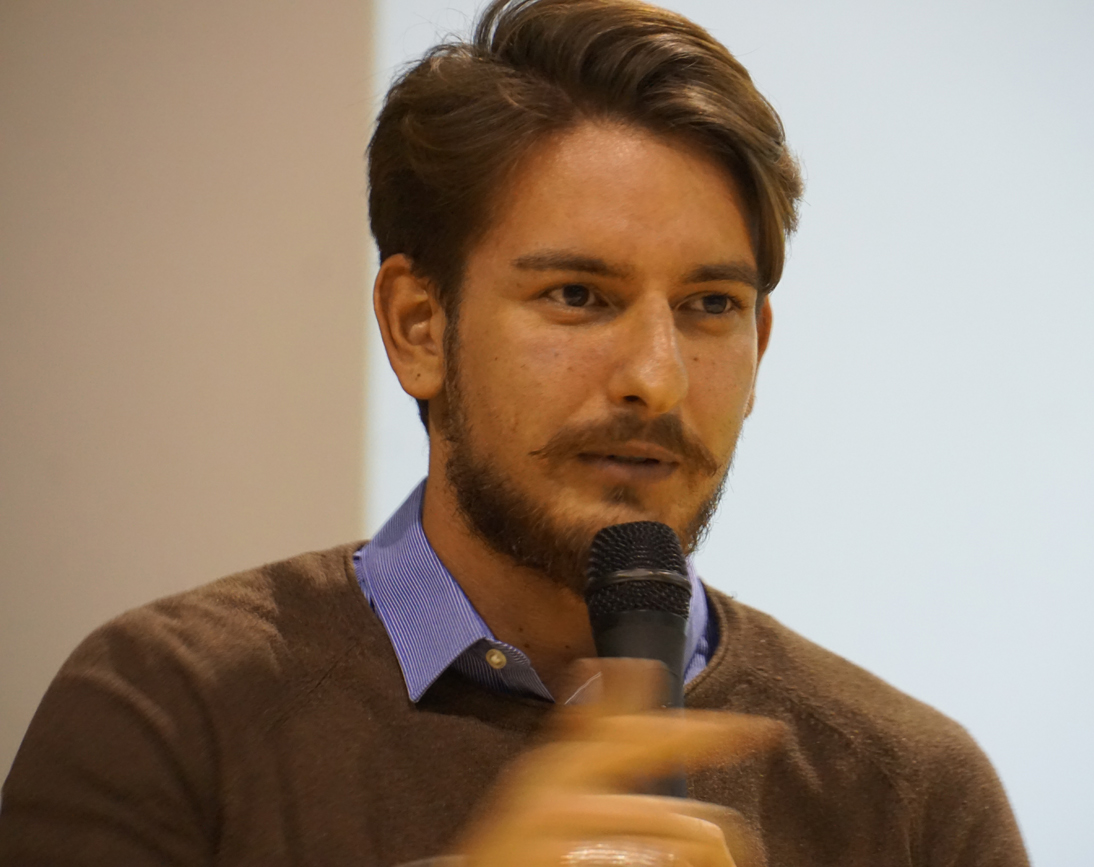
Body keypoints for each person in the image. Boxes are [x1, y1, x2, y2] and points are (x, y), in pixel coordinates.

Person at [0, 1, 1030, 865]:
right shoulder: (168, 712)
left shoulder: (912, 796)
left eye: (709, 307)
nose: (656, 377)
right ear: (419, 327)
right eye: (579, 295)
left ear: (759, 344)